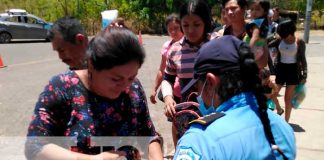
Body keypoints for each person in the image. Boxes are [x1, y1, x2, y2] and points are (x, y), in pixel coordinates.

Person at [25, 27, 163, 160]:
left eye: (131, 77)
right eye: (116, 79)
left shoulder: (134, 88)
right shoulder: (62, 88)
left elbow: (148, 135)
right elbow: (35, 146)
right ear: (91, 65)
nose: (125, 86)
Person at [173, 36, 296, 159]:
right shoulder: (283, 127)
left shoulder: (200, 141)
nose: (197, 94)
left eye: (197, 87)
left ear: (210, 83)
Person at [160, 0, 211, 147]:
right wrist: (168, 98)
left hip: (213, 111)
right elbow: (167, 78)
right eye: (186, 25)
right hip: (187, 112)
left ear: (206, 23)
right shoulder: (175, 50)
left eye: (196, 24)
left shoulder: (216, 44)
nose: (190, 30)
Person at [272, 19, 307, 122]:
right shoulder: (279, 39)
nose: (281, 35)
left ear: (289, 31)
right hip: (281, 69)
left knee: (288, 99)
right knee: (273, 94)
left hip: (293, 71)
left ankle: (286, 122)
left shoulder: (299, 42)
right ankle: (279, 109)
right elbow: (266, 42)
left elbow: (303, 60)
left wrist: (304, 75)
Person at [150, 13, 184, 104]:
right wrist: (154, 89)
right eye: (170, 29)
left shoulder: (190, 45)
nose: (173, 32)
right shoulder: (167, 46)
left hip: (189, 93)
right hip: (172, 95)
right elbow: (162, 70)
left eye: (176, 28)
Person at [243, 0, 270, 69]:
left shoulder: (257, 23)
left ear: (265, 12)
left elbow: (255, 37)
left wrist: (247, 50)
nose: (254, 12)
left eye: (258, 9)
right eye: (252, 9)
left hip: (254, 49)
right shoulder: (263, 22)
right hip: (258, 49)